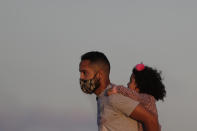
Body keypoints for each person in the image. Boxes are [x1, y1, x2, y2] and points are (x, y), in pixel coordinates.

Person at [79, 51, 160, 131]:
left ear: (99, 75)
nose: (81, 77)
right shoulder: (102, 98)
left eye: (84, 72)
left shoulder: (114, 97)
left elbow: (151, 120)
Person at [107, 63, 166, 131]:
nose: (127, 84)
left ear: (139, 85)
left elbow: (134, 95)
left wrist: (117, 89)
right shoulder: (144, 100)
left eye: (130, 81)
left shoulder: (148, 99)